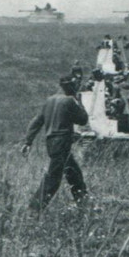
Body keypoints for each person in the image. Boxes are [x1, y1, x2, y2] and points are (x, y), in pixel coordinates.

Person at [21, 76, 90, 212]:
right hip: (62, 143)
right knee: (53, 179)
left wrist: (28, 141)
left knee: (74, 175)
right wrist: (79, 102)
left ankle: (84, 204)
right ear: (71, 86)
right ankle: (34, 209)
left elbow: (36, 122)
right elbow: (83, 120)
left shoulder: (49, 101)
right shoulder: (69, 101)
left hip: (51, 143)